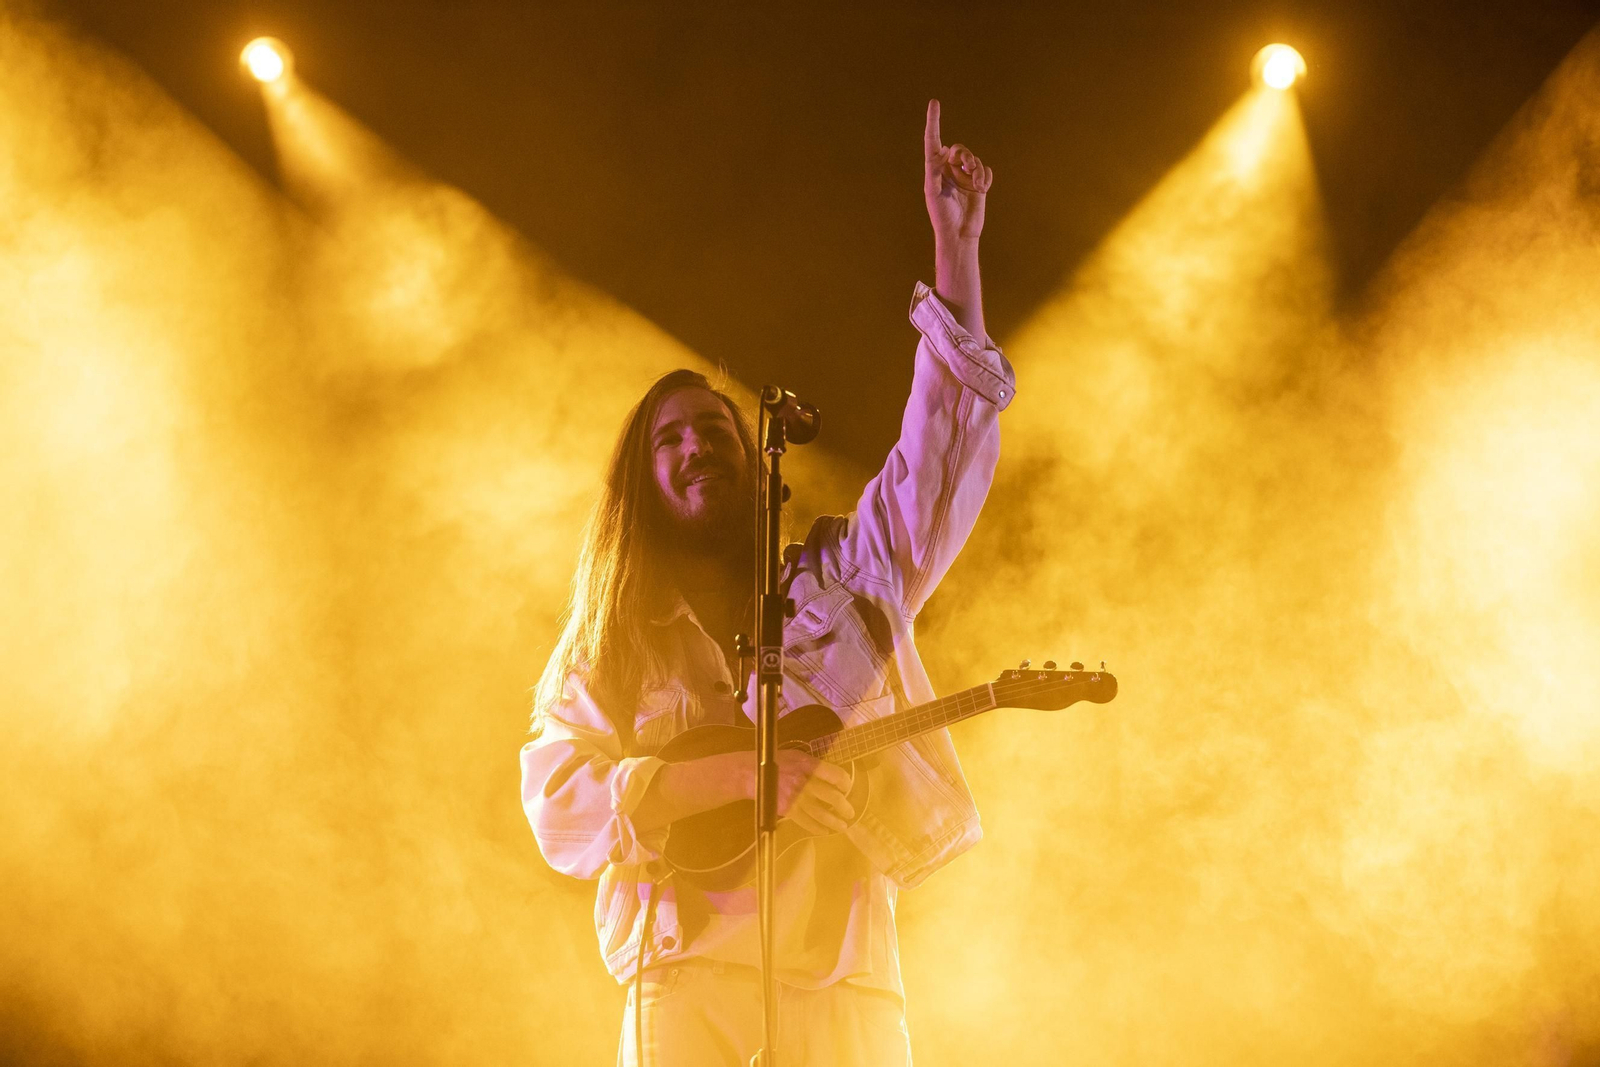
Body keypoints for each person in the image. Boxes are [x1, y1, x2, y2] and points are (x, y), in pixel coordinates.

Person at [520, 99, 1013, 1067]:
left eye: (714, 428)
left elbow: (937, 461)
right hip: (688, 978)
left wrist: (956, 253)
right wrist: (744, 778)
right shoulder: (610, 639)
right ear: (640, 483)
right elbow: (560, 798)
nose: (697, 444)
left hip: (847, 979)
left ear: (755, 458)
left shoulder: (843, 582)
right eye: (670, 438)